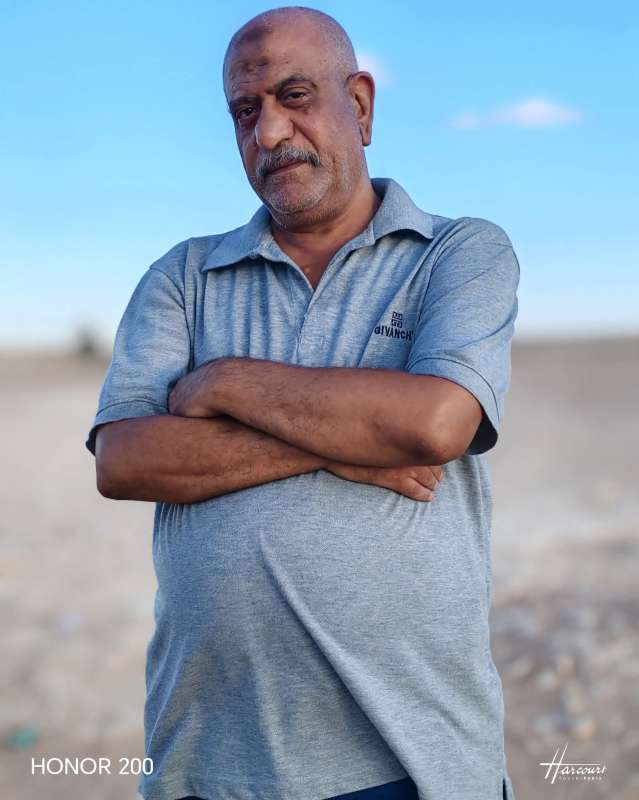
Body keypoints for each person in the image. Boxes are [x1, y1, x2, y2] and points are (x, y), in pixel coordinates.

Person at [85, 6, 520, 800]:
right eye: (243, 111)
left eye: (294, 96)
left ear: (359, 105)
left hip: (416, 760)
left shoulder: (457, 252)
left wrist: (221, 383)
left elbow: (435, 424)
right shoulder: (183, 276)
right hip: (209, 761)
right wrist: (346, 444)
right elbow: (123, 459)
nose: (269, 131)